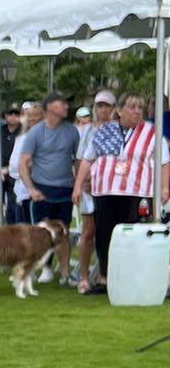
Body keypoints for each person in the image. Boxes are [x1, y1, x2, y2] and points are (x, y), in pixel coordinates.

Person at [78, 92, 169, 284]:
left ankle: (131, 277)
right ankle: (104, 276)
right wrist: (77, 186)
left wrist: (164, 188)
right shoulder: (104, 131)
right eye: (132, 107)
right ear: (119, 110)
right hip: (105, 190)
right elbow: (87, 159)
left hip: (137, 192)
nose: (137, 111)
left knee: (134, 234)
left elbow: (164, 162)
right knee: (104, 234)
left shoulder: (152, 132)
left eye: (140, 108)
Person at [18, 91, 79, 282]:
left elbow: (78, 160)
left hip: (65, 189)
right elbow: (23, 163)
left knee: (64, 232)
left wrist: (78, 185)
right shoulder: (36, 133)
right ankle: (39, 269)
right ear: (50, 107)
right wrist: (30, 189)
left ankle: (65, 275)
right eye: (62, 103)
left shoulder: (72, 131)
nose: (67, 107)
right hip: (42, 189)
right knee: (41, 234)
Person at [72, 90, 118, 292]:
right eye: (100, 106)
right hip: (90, 188)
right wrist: (83, 182)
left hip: (111, 188)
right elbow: (80, 159)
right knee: (88, 232)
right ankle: (83, 277)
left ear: (114, 108)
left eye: (107, 106)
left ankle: (106, 275)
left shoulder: (120, 130)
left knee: (109, 232)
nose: (103, 110)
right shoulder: (88, 131)